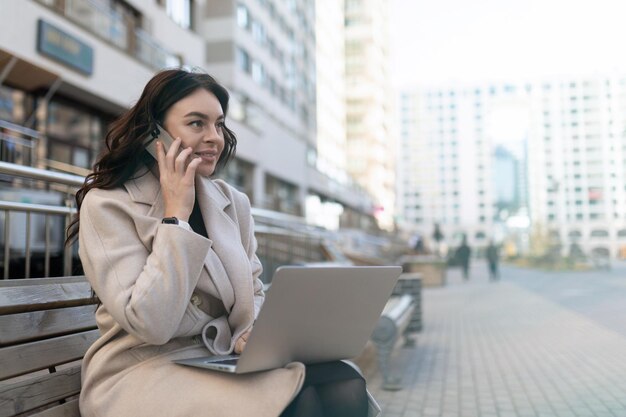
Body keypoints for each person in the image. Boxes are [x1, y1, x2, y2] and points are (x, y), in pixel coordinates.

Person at [66, 68, 368, 417]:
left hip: (219, 358)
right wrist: (176, 217)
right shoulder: (109, 204)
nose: (215, 137)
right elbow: (151, 323)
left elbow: (253, 288)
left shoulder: (231, 201)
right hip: (141, 372)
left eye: (219, 124)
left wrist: (251, 331)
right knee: (296, 400)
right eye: (197, 124)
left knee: (342, 380)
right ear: (154, 132)